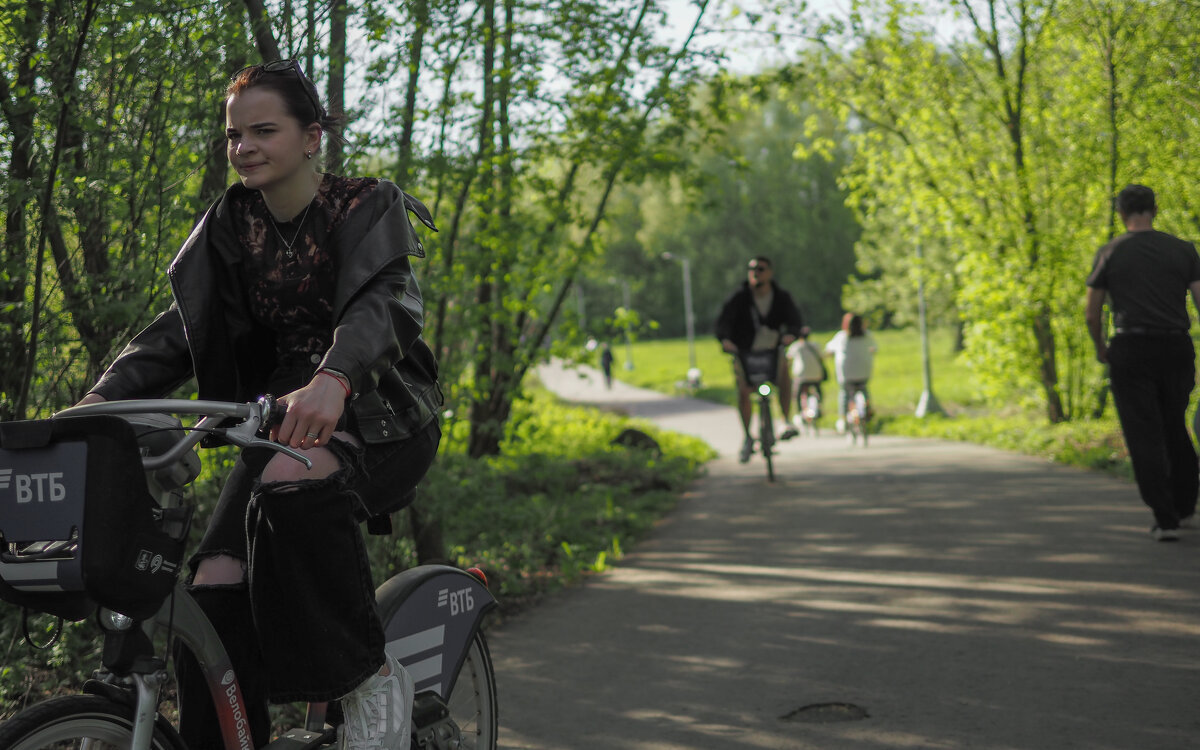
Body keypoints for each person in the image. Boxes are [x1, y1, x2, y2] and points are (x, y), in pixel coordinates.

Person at [76, 60, 442, 750]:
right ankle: (225, 738)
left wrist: (335, 377)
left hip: (380, 411)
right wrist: (100, 400)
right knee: (213, 579)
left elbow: (382, 304)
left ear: (311, 138)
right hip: (279, 423)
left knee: (288, 480)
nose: (243, 146)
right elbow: (180, 331)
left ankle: (367, 681)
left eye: (263, 131)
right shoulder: (230, 226)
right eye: (233, 135)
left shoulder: (366, 206)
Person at [1085, 184, 1200, 542]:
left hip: (1130, 347)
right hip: (1175, 348)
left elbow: (1092, 312)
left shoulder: (1110, 253)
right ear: (1154, 209)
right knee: (1174, 424)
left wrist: (1101, 346)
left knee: (1143, 432)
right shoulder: (1183, 250)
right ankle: (1184, 503)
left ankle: (1165, 518)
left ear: (1121, 212)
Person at [715, 255, 805, 462]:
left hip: (772, 349)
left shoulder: (781, 297)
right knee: (743, 388)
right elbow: (723, 324)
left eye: (761, 269)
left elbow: (795, 321)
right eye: (752, 268)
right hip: (745, 351)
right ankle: (747, 436)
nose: (756, 272)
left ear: (770, 272)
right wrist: (726, 341)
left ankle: (785, 420)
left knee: (784, 374)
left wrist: (791, 334)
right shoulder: (739, 298)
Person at [824, 313, 876, 433]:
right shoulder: (868, 335)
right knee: (863, 389)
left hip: (846, 372)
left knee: (845, 393)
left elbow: (829, 350)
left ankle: (843, 419)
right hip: (864, 370)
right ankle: (867, 411)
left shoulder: (842, 337)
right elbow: (874, 349)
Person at [785, 326, 826, 429]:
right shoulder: (815, 345)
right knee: (818, 390)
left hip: (801, 375)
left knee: (798, 394)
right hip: (816, 374)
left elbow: (788, 359)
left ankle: (799, 413)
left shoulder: (796, 346)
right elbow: (822, 357)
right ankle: (819, 406)